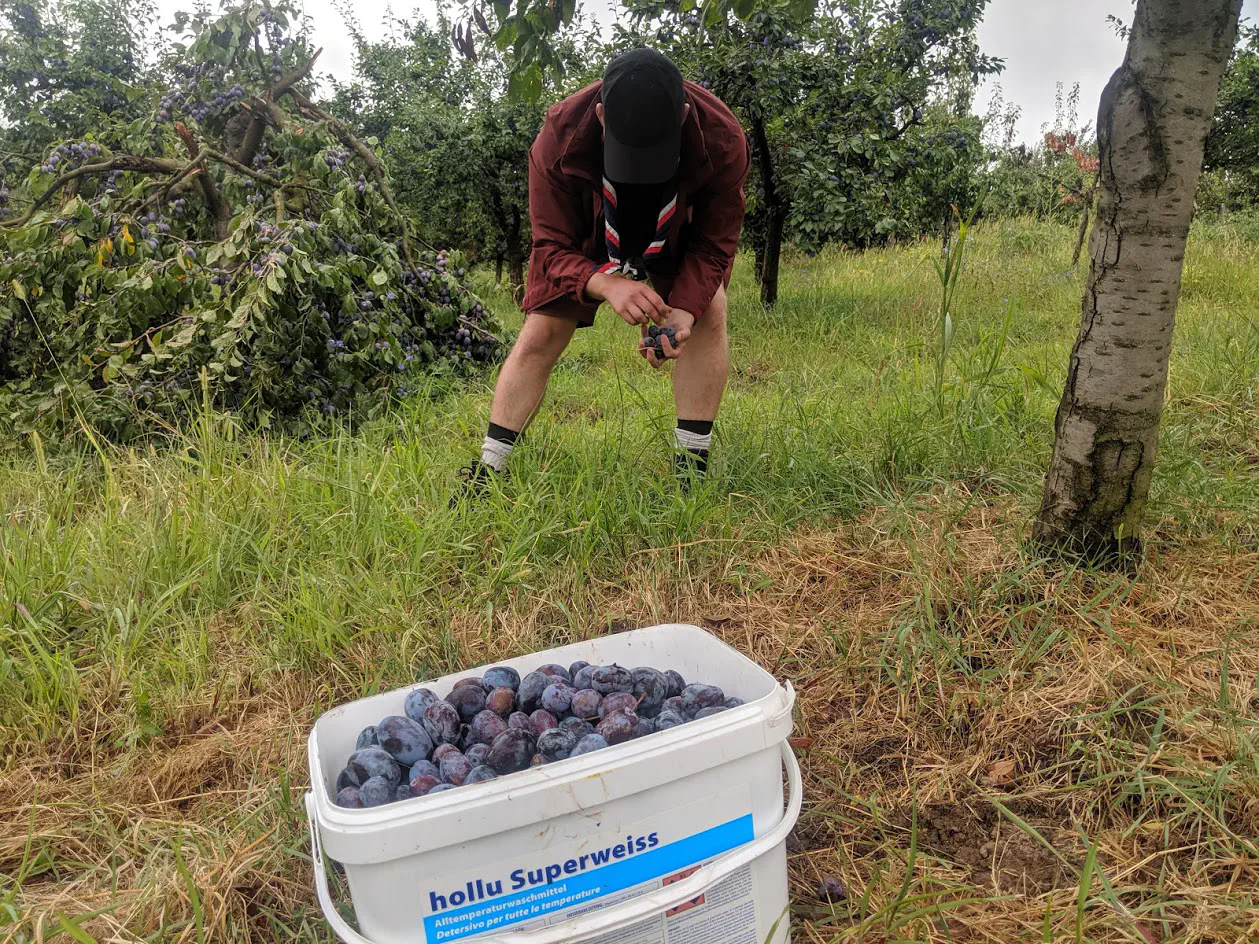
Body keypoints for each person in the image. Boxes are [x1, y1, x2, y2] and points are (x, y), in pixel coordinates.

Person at [460, 48, 748, 493]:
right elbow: (551, 246)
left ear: (685, 114)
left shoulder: (722, 138)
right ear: (600, 115)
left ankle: (691, 470)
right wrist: (604, 283)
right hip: (591, 226)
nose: (642, 171)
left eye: (654, 155)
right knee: (541, 333)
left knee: (709, 311)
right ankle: (488, 470)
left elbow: (713, 246)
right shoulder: (558, 138)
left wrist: (685, 312)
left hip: (676, 227)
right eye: (631, 155)